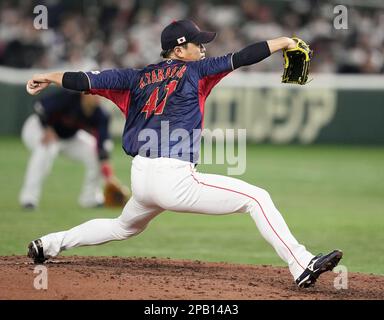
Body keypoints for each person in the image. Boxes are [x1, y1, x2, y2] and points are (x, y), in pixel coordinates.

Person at [25, 20, 342, 288]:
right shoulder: (197, 71)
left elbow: (82, 79)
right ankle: (301, 263)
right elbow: (243, 56)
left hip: (142, 176)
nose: (203, 48)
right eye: (197, 43)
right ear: (178, 50)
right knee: (256, 198)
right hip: (173, 178)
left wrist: (47, 77)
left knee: (123, 226)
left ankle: (48, 244)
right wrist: (284, 41)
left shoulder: (133, 78)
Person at [19, 90, 117, 209]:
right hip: (38, 129)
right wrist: (47, 127)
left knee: (93, 152)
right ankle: (29, 199)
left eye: (101, 92)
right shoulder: (68, 97)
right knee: (45, 151)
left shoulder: (101, 115)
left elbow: (102, 146)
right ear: (84, 93)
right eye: (95, 92)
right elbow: (39, 106)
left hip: (68, 137)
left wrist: (109, 176)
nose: (99, 96)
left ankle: (90, 198)